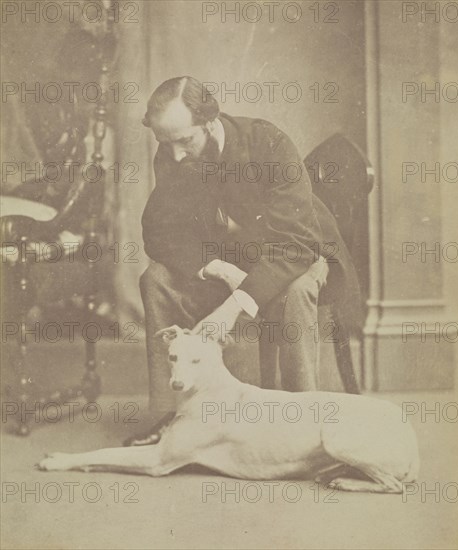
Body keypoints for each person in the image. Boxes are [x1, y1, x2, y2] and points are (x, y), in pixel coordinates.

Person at [126, 76, 363, 445]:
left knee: (297, 288)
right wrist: (217, 268)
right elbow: (159, 232)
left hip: (299, 249)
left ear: (209, 120)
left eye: (184, 140)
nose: (174, 155)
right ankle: (172, 415)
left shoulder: (268, 142)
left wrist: (234, 305)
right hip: (232, 259)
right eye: (164, 143)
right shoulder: (174, 153)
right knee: (156, 279)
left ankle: (304, 424)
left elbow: (297, 244)